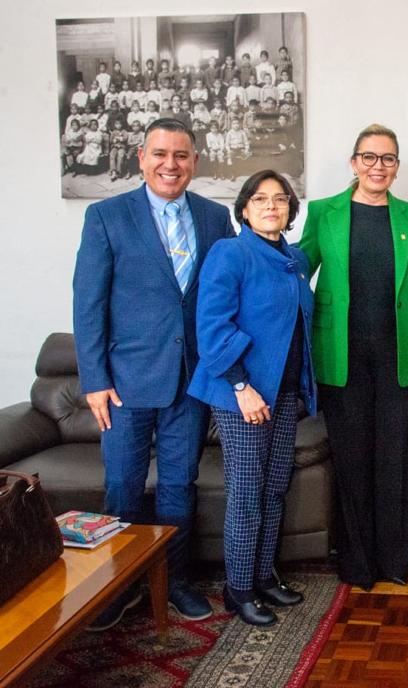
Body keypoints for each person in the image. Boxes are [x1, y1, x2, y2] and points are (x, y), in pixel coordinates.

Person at [73, 118, 236, 630]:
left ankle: (176, 581)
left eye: (182, 155)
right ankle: (118, 588)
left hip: (190, 380)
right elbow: (88, 303)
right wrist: (94, 380)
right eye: (161, 154)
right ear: (141, 157)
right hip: (124, 383)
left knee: (177, 487)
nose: (171, 164)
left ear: (194, 162)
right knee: (122, 486)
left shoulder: (215, 218)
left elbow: (223, 294)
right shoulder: (106, 216)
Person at [299, 124, 408, 590]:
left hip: (397, 358)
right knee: (353, 458)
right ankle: (357, 564)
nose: (378, 166)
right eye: (370, 157)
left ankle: (396, 560)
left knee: (395, 458)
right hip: (341, 359)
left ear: (397, 166)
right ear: (354, 162)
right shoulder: (325, 213)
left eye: (388, 158)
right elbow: (296, 272)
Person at [188, 170, 314, 626]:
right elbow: (212, 327)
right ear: (244, 208)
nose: (271, 206)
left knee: (274, 489)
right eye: (260, 199)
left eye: (280, 199)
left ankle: (263, 576)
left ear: (290, 209)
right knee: (246, 495)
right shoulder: (231, 252)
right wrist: (241, 386)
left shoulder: (294, 258)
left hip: (282, 395)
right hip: (241, 393)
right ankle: (237, 588)